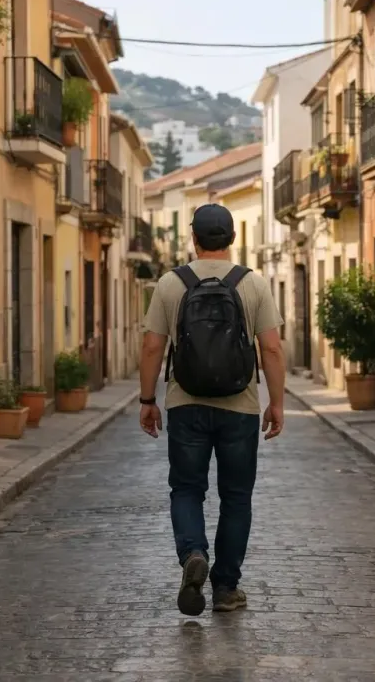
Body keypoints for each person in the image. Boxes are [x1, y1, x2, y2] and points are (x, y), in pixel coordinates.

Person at [139, 203, 286, 617]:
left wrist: (147, 400)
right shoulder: (252, 284)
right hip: (240, 407)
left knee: (187, 488)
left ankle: (192, 553)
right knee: (236, 497)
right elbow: (271, 348)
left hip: (186, 404)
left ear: (194, 239)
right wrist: (276, 403)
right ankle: (225, 589)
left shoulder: (171, 284)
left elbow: (152, 346)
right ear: (233, 240)